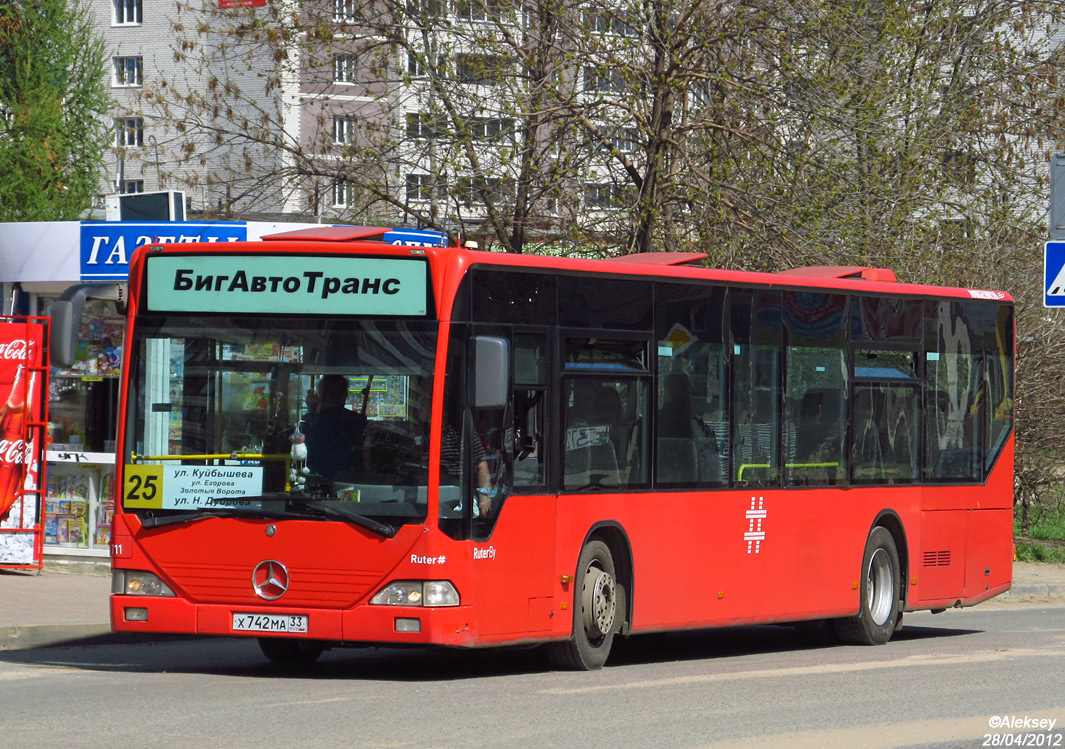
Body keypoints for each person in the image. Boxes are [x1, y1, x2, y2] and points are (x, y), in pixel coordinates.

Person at [302, 375, 366, 481]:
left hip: (314, 479)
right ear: (344, 395)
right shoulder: (358, 420)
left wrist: (312, 409)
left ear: (320, 394)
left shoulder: (309, 421)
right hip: (349, 478)